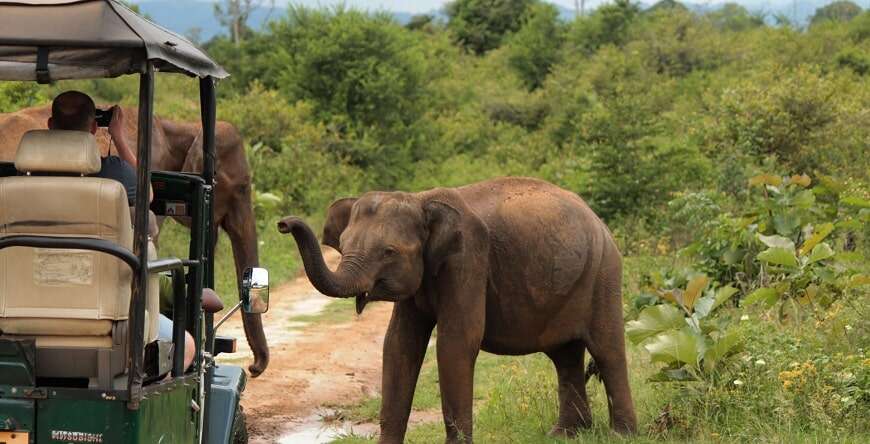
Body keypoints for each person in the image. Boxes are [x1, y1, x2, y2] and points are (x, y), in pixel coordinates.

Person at [47, 91, 195, 373]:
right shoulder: (115, 172)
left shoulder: (16, 184)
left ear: (50, 125)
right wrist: (118, 137)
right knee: (186, 345)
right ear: (93, 128)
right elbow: (148, 192)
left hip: (24, 315)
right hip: (105, 318)